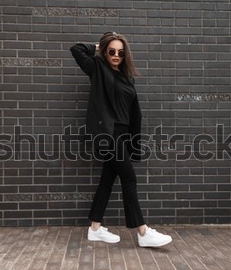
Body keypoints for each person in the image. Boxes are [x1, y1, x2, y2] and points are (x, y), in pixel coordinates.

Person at [70, 32, 172, 247]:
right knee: (129, 179)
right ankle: (143, 232)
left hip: (124, 136)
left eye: (121, 52)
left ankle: (95, 229)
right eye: (112, 51)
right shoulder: (98, 69)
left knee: (107, 181)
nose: (116, 55)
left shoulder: (127, 77)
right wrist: (97, 46)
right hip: (109, 134)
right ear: (105, 51)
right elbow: (76, 50)